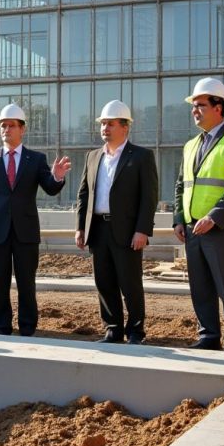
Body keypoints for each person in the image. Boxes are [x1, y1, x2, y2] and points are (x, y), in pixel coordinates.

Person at [172, 82, 224, 351]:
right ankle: (208, 336)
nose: (194, 111)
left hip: (222, 228)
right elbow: (181, 184)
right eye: (193, 106)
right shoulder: (190, 145)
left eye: (200, 105)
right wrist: (179, 218)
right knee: (201, 286)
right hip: (192, 227)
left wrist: (214, 217)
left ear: (218, 107)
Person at [0, 103, 70, 336]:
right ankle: (2, 325)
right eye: (2, 126)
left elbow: (49, 188)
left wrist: (57, 177)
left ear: (22, 129)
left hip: (25, 232)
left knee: (27, 282)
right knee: (0, 282)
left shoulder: (35, 159)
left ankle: (27, 326)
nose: (6, 129)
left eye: (11, 125)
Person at [76, 100, 158, 345]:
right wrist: (81, 227)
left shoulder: (141, 156)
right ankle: (113, 329)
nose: (105, 128)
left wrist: (142, 230)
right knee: (104, 281)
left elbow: (149, 197)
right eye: (103, 124)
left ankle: (135, 332)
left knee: (130, 282)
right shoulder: (93, 157)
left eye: (110, 124)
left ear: (125, 127)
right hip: (98, 229)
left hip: (126, 231)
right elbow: (83, 194)